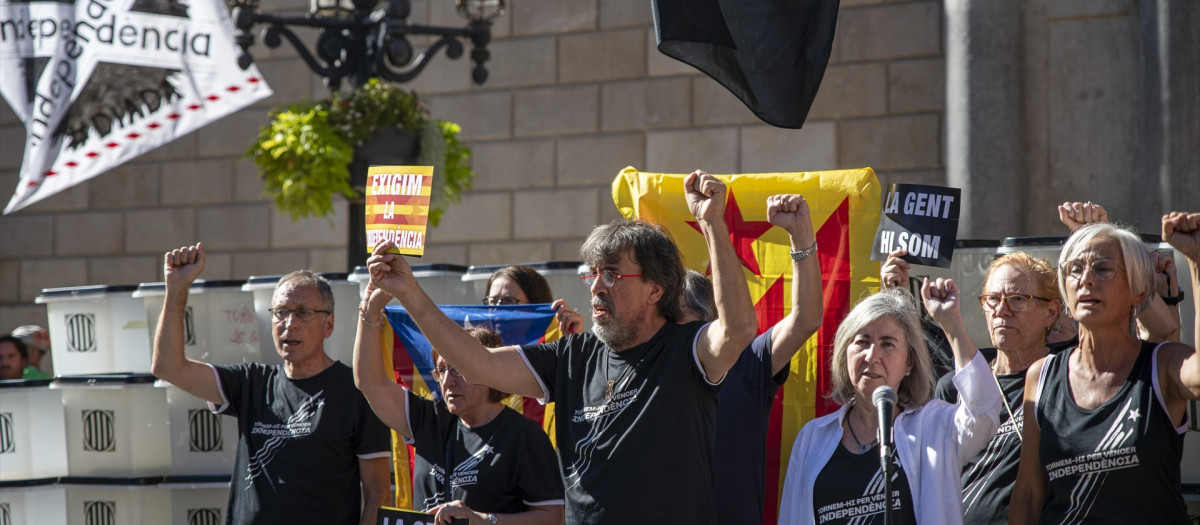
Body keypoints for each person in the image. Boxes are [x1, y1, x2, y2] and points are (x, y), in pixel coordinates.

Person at [365, 170, 758, 525]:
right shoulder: (573, 355)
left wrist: (712, 225)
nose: (597, 287)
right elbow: (477, 363)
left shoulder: (685, 349)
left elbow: (738, 328)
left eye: (613, 274)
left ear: (655, 289)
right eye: (594, 274)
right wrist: (410, 292)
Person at [151, 242, 392, 525]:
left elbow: (378, 494)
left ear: (329, 325)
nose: (289, 324)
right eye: (280, 312)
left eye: (302, 312)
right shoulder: (251, 382)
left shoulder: (357, 391)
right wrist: (177, 288)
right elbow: (169, 368)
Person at [1009, 214, 1200, 524]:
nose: (1086, 279)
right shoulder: (1041, 376)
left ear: (1139, 290)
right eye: (1075, 269)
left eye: (1103, 268)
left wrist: (1197, 262)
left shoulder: (1162, 364)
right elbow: (1029, 493)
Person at [778, 283, 1004, 525]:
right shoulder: (812, 439)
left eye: (888, 344)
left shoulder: (933, 427)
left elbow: (984, 413)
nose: (872, 356)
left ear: (909, 364)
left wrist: (951, 324)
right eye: (862, 342)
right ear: (845, 354)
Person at [677, 193, 823, 525]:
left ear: (708, 321)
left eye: (676, 318)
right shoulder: (650, 373)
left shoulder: (747, 364)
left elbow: (806, 319)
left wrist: (800, 235)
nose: (665, 330)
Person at [354, 295, 565, 525]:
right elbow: (369, 382)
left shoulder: (524, 436)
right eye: (441, 370)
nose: (447, 381)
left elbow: (553, 518)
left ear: (487, 371)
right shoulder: (428, 419)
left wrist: (482, 520)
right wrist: (370, 311)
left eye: (457, 369)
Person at [933, 252, 1063, 525]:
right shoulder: (954, 386)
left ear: (1051, 312)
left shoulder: (1065, 376)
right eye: (992, 299)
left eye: (1017, 299)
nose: (1002, 310)